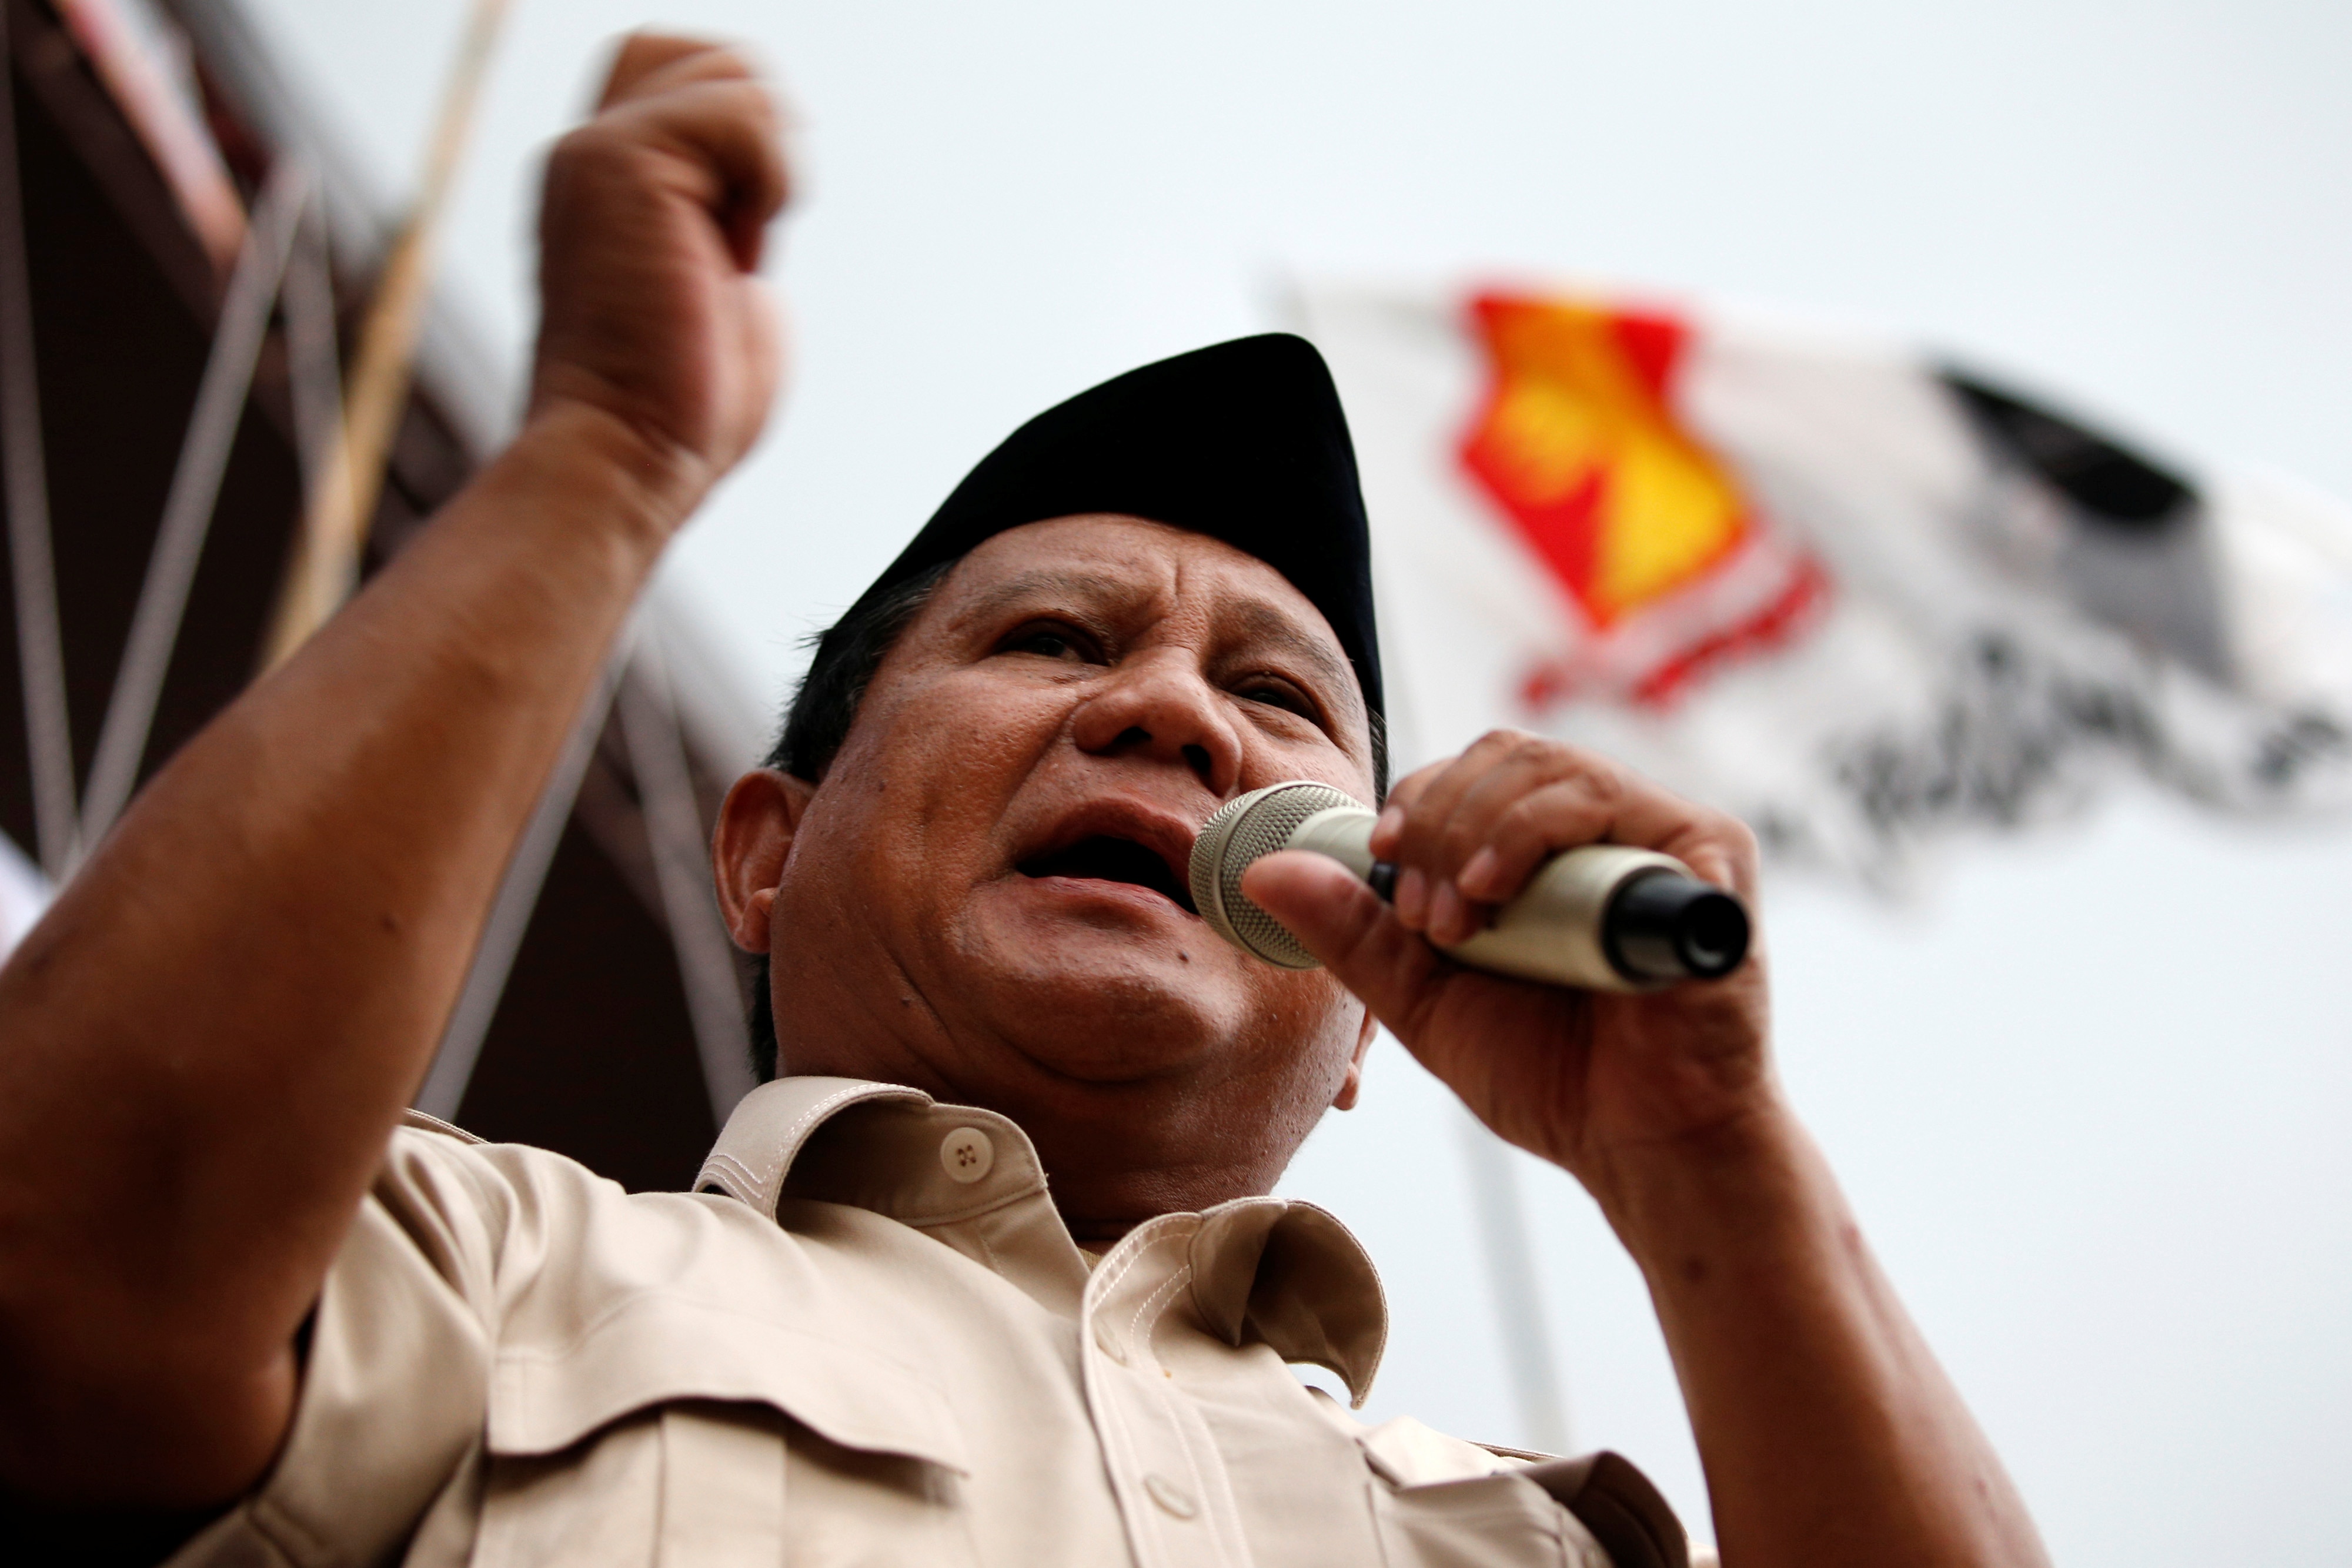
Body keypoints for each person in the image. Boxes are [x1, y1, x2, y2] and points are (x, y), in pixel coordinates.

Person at [0, 34, 2050, 1568]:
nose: (1174, 712)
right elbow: (60, 1278)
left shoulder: (1526, 1537)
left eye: (1279, 696)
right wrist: (610, 450)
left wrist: (1711, 1154)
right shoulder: (466, 1265)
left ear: (1361, 1027)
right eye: (1056, 641)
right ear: (765, 844)